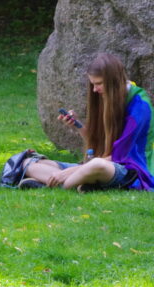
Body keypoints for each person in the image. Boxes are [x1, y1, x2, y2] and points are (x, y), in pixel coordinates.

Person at [19, 52, 152, 191]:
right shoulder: (108, 97)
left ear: (114, 81)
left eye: (99, 84)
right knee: (29, 163)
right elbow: (96, 145)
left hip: (127, 171)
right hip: (94, 166)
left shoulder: (140, 106)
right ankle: (78, 183)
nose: (95, 90)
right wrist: (78, 126)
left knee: (97, 166)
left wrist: (70, 171)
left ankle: (57, 184)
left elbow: (122, 157)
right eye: (93, 84)